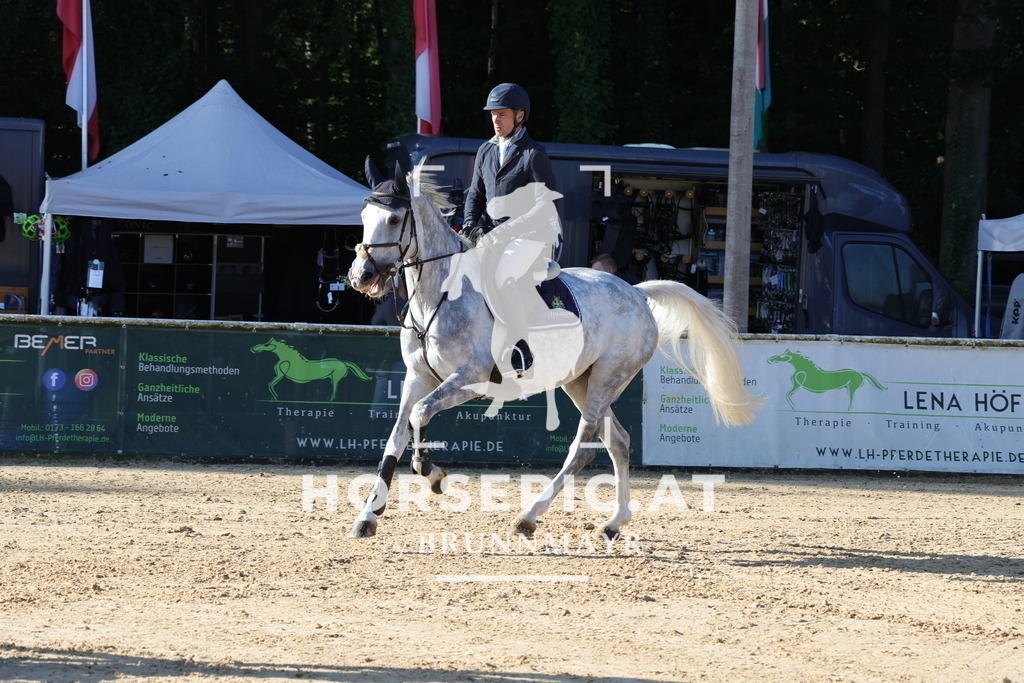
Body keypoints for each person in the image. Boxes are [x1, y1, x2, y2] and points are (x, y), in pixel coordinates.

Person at [461, 84, 562, 381]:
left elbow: (546, 205)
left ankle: (521, 346)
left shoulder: (534, 154)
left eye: (502, 114)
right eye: (493, 114)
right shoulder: (486, 150)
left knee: (503, 277)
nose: (495, 120)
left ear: (520, 116)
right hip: (491, 234)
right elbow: (475, 195)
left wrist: (506, 231)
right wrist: (470, 225)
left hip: (530, 236)